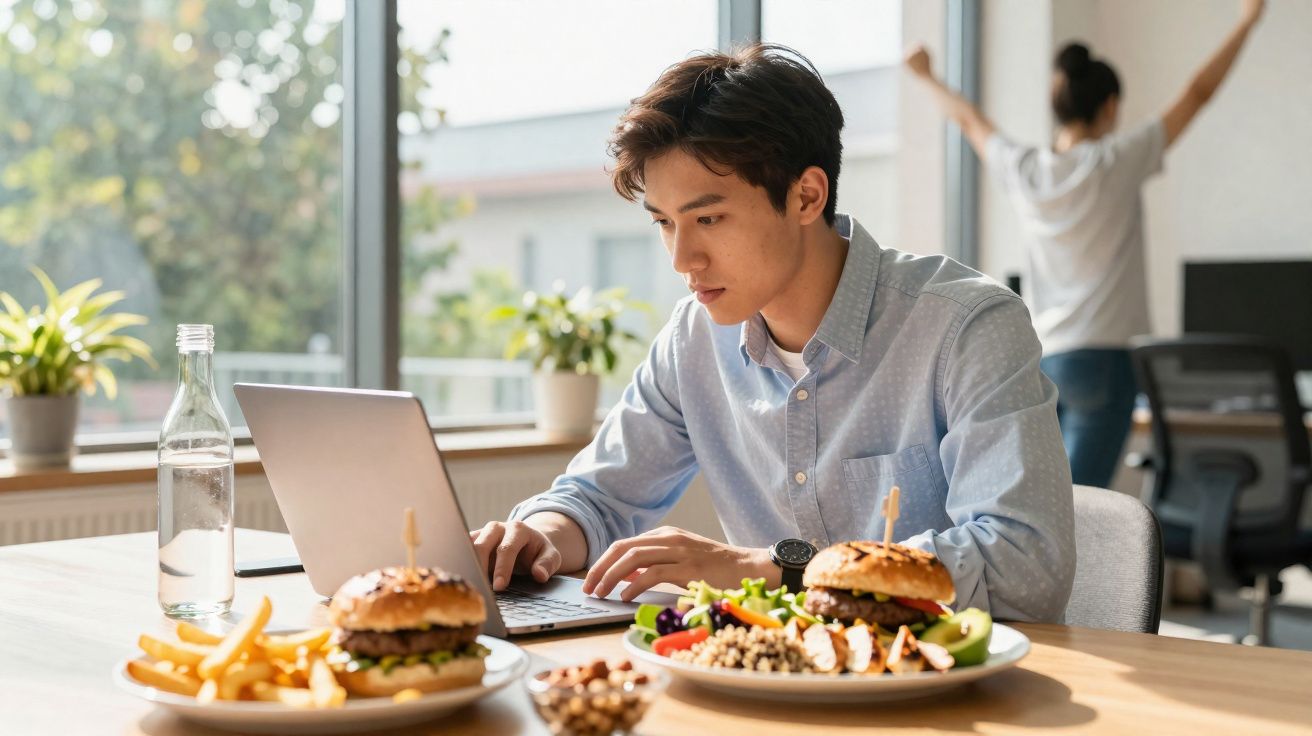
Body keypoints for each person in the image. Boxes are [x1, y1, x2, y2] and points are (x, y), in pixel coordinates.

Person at [472, 43, 1075, 622]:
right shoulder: (694, 340)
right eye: (664, 223)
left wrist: (768, 570)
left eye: (708, 218)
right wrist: (538, 537)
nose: (683, 259)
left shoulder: (966, 327)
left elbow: (1025, 567)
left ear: (807, 195)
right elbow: (600, 498)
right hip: (767, 685)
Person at [904, 0, 1266, 488]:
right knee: (1081, 511)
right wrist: (1246, 21)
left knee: (1047, 502)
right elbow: (1197, 94)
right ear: (1110, 106)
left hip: (1044, 360)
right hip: (1107, 361)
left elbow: (969, 121)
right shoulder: (1117, 160)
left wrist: (926, 77)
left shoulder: (1026, 170)